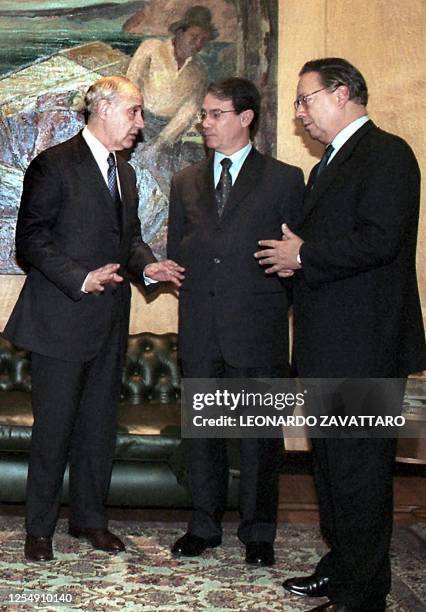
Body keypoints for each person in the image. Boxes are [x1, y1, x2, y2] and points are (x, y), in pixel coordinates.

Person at [255, 58, 426, 611]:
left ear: (343, 92)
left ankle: (362, 593)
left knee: (360, 475)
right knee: (332, 472)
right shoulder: (327, 164)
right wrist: (295, 261)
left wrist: (304, 254)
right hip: (330, 346)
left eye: (306, 99)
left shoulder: (387, 154)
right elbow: (331, 247)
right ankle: (342, 566)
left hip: (367, 348)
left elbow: (380, 240)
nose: (300, 113)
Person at [3, 75, 184, 562]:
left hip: (109, 324)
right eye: (135, 112)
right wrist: (81, 278)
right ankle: (39, 530)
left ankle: (90, 521)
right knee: (54, 430)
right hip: (60, 321)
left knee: (98, 430)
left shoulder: (124, 173)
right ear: (103, 108)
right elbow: (31, 242)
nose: (141, 124)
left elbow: (128, 240)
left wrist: (148, 265)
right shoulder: (53, 165)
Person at [167, 77, 304, 566]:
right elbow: (178, 257)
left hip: (258, 330)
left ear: (245, 118)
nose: (204, 122)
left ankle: (259, 533)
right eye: (203, 113)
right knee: (202, 437)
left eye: (215, 113)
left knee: (259, 441)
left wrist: (265, 308)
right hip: (201, 329)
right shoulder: (185, 180)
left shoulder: (286, 179)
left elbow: (293, 263)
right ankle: (203, 527)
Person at [126, 5, 217, 155]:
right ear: (180, 32)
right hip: (137, 118)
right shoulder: (151, 48)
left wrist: (160, 143)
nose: (198, 44)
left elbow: (188, 112)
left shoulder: (200, 72)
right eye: (194, 37)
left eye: (203, 40)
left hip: (169, 131)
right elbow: (130, 85)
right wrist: (132, 122)